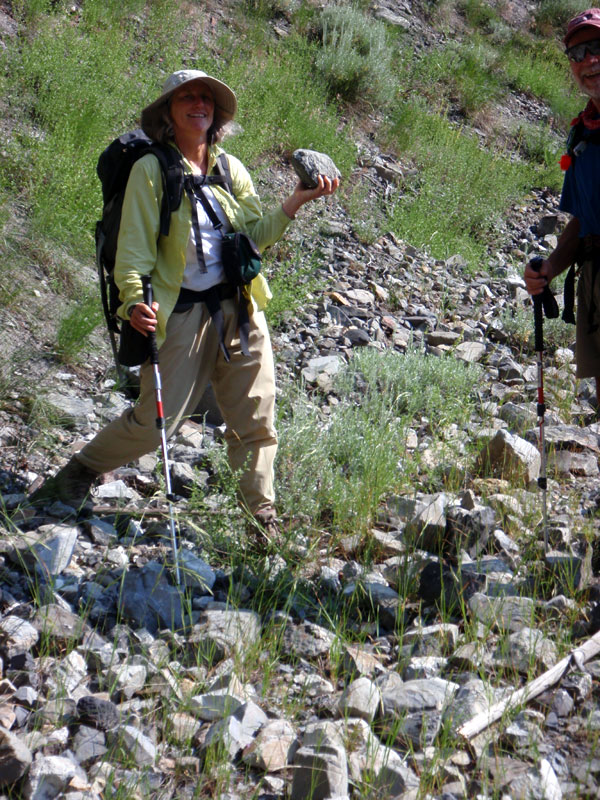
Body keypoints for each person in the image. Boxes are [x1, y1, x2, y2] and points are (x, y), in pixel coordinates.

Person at [29, 69, 339, 539]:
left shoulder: (230, 170)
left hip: (240, 308)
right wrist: (134, 303)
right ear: (168, 113)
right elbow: (132, 252)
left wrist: (297, 201)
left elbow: (253, 239)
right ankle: (81, 471)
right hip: (178, 314)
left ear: (216, 114)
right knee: (157, 422)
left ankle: (261, 520)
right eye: (188, 97)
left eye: (207, 98)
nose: (200, 103)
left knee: (256, 420)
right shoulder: (151, 170)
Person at [524, 9, 600, 408]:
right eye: (578, 53)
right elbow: (583, 222)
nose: (590, 60)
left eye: (598, 47)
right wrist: (551, 267)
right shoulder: (582, 135)